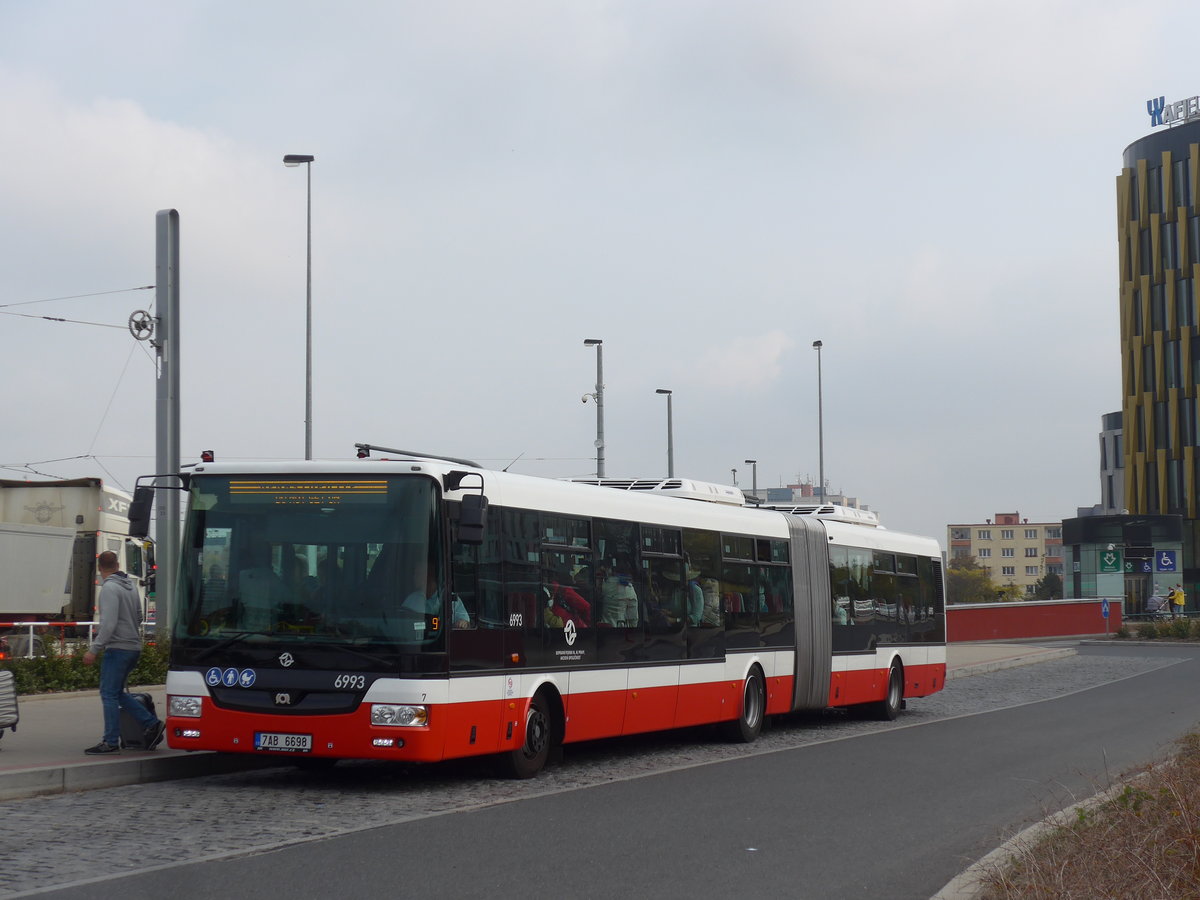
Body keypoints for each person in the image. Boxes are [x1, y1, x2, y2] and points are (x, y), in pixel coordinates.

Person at [82, 551, 164, 754]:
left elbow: (108, 624)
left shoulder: (109, 589)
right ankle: (151, 723)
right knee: (116, 692)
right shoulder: (131, 587)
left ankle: (110, 741)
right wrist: (130, 634)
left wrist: (93, 649)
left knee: (108, 694)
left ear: (100, 569)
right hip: (133, 646)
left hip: (118, 648)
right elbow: (138, 616)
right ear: (117, 564)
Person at [402, 570, 471, 629]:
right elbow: (402, 622)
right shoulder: (412, 599)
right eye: (415, 573)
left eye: (418, 574)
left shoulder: (450, 598)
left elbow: (466, 622)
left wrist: (462, 623)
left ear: (429, 576)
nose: (414, 577)